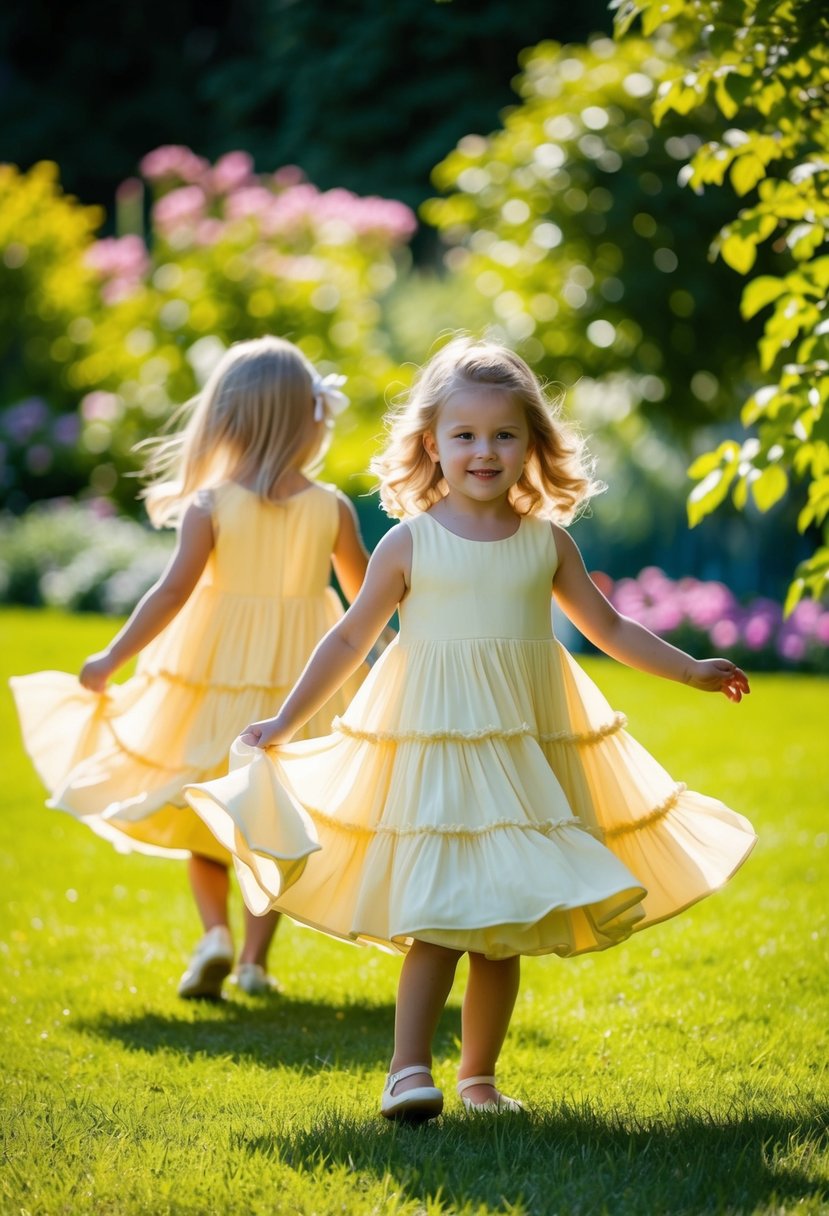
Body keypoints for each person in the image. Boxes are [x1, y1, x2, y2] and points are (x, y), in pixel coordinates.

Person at [185, 336, 754, 1119]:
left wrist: (689, 667)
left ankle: (478, 1078)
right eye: (464, 435)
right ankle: (405, 1070)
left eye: (503, 435)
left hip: (522, 749)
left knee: (506, 919)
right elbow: (351, 634)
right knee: (443, 918)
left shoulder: (545, 542)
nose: (483, 451)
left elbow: (610, 627)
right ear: (432, 445)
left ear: (531, 445)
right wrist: (286, 718)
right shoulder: (409, 540)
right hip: (437, 746)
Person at [11, 335, 371, 1000]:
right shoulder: (332, 508)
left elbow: (171, 593)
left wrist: (112, 656)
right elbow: (365, 606)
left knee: (202, 808)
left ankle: (214, 935)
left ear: (227, 421)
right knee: (272, 816)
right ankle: (255, 965)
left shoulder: (211, 505)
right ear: (309, 417)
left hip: (211, 673)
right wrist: (384, 674)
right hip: (296, 682)